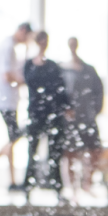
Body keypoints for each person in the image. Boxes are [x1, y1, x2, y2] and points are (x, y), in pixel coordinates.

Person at [22, 31, 71, 197]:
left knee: (55, 151)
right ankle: (27, 186)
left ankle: (57, 187)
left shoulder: (53, 65)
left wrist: (67, 107)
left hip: (53, 113)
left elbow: (61, 89)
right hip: (36, 112)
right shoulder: (30, 64)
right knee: (32, 150)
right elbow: (28, 82)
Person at [0, 23, 31, 191]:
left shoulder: (10, 46)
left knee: (13, 136)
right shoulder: (8, 47)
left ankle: (1, 175)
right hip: (5, 99)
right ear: (23, 32)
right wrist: (27, 81)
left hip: (9, 99)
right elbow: (7, 75)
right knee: (14, 136)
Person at [62, 37, 105, 204]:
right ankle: (73, 188)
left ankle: (87, 182)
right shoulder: (63, 69)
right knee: (71, 153)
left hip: (87, 118)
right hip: (70, 120)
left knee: (95, 149)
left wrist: (95, 111)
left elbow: (99, 92)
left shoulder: (89, 70)